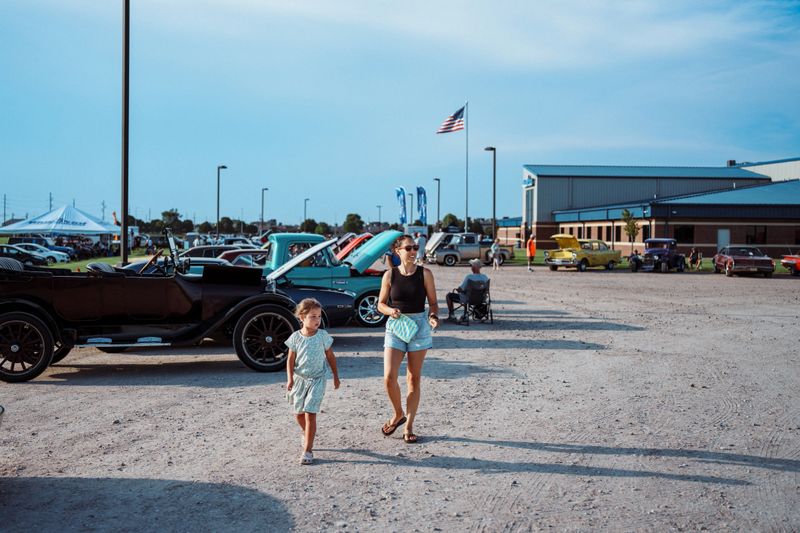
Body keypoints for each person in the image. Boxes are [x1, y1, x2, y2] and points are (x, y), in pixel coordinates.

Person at [377, 234, 440, 444]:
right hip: (396, 326)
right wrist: (390, 311)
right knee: (389, 377)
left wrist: (433, 316)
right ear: (398, 251)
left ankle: (409, 426)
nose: (413, 251)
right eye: (408, 248)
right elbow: (380, 304)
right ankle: (398, 414)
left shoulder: (425, 274)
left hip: (419, 326)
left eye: (415, 247)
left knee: (413, 378)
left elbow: (433, 303)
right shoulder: (389, 276)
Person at [285, 298, 340, 465]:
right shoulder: (295, 338)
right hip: (300, 379)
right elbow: (290, 360)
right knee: (299, 414)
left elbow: (330, 356)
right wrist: (290, 379)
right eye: (313, 316)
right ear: (302, 317)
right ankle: (306, 432)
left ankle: (307, 451)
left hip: (317, 379)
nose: (317, 320)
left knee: (310, 413)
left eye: (319, 316)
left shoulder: (323, 336)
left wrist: (336, 376)